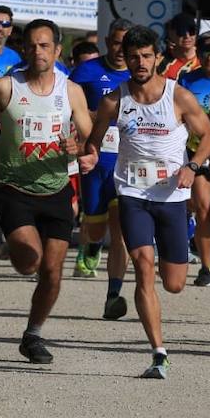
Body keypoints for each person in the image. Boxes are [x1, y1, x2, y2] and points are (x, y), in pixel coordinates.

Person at [85, 26, 210, 378]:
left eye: (146, 56)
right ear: (124, 58)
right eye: (133, 57)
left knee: (174, 283)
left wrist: (192, 165)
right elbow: (94, 140)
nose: (140, 63)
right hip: (132, 193)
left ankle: (176, 255)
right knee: (143, 264)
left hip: (172, 196)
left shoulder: (179, 97)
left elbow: (208, 134)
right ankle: (158, 352)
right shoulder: (114, 100)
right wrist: (90, 156)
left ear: (158, 58)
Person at [0, 19, 92, 365]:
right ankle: (17, 241)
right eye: (33, 45)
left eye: (45, 45)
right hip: (14, 189)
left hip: (57, 189)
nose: (38, 51)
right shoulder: (6, 87)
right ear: (24, 49)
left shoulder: (71, 91)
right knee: (29, 262)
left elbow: (89, 143)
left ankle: (33, 333)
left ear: (57, 51)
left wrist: (77, 147)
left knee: (52, 271)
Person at [70, 19, 133, 321]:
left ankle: (113, 295)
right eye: (116, 42)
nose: (121, 50)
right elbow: (67, 102)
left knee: (120, 231)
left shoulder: (141, 74)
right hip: (95, 162)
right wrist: (89, 117)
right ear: (107, 41)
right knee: (96, 227)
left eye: (127, 43)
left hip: (127, 163)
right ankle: (92, 245)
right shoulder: (87, 71)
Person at [180, 33, 210, 286]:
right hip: (197, 151)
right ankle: (207, 268)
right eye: (205, 53)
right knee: (202, 210)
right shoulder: (188, 80)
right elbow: (181, 115)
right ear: (198, 56)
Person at [157, 13, 200, 80]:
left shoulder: (205, 61)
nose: (187, 36)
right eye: (181, 31)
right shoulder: (159, 62)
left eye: (192, 31)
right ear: (171, 33)